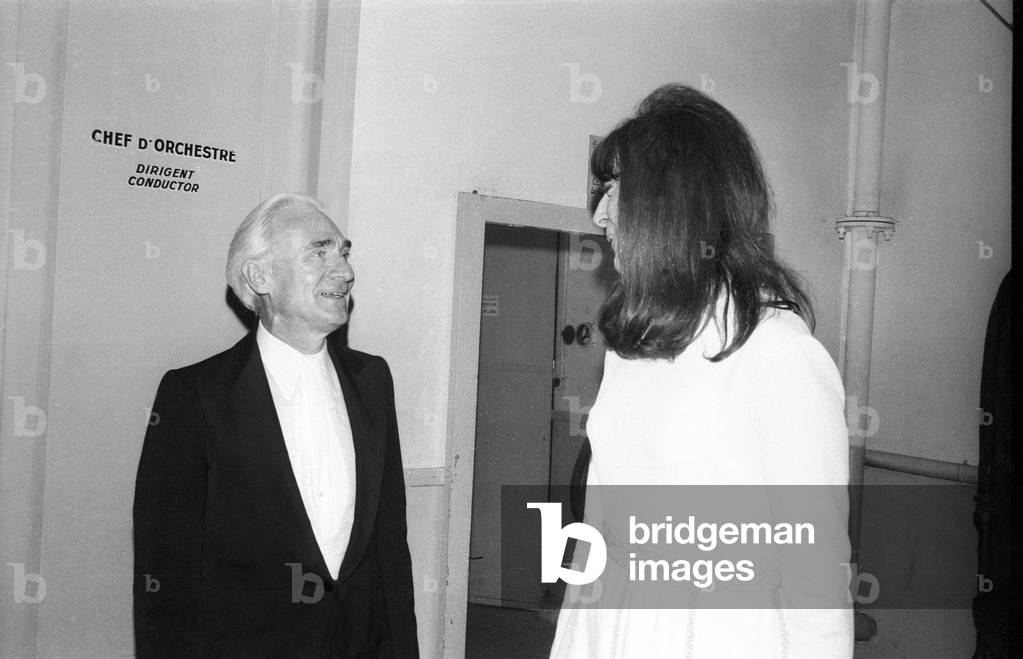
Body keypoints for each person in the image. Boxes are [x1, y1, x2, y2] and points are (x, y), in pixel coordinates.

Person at [549, 85, 852, 658]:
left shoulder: (779, 353)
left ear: (676, 202)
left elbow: (816, 578)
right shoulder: (632, 347)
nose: (600, 214)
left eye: (615, 189)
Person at [133, 194, 418, 658]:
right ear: (259, 276)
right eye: (318, 252)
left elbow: (391, 549)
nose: (345, 271)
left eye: (344, 252)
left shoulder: (372, 380)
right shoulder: (195, 395)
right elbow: (167, 575)